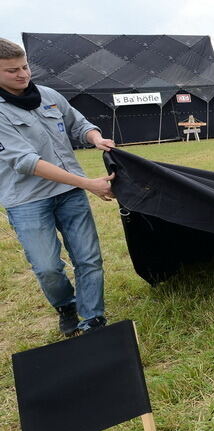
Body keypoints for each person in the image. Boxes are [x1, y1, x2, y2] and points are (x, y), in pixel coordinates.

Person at [0, 37, 116, 336]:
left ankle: (92, 319)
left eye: (24, 67)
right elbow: (27, 162)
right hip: (27, 200)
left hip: (70, 194)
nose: (22, 74)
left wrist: (95, 138)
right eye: (12, 70)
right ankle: (66, 305)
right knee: (47, 267)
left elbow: (79, 124)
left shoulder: (49, 95)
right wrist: (88, 183)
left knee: (88, 258)